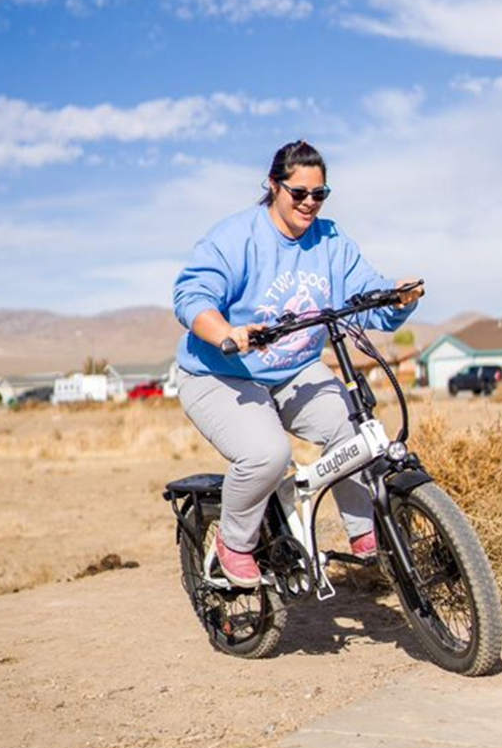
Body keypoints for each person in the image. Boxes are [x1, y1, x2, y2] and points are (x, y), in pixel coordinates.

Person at [173, 140, 424, 588]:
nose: (310, 203)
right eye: (299, 193)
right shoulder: (237, 238)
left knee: (356, 429)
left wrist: (397, 296)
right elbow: (192, 297)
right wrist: (225, 332)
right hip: (220, 373)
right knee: (268, 454)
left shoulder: (330, 240)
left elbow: (365, 297)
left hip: (294, 369)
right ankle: (234, 543)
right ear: (273, 186)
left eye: (320, 194)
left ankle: (367, 533)